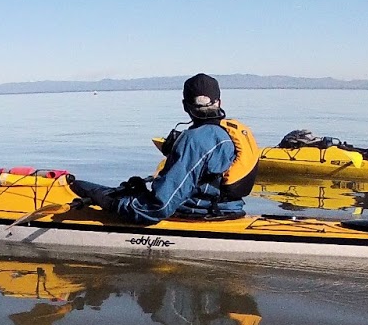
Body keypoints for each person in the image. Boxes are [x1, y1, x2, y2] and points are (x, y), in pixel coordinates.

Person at [67, 73, 259, 225]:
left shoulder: (194, 140)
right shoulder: (229, 134)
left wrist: (111, 202)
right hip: (230, 210)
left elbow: (159, 207)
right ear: (219, 102)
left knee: (89, 189)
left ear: (185, 106)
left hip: (199, 214)